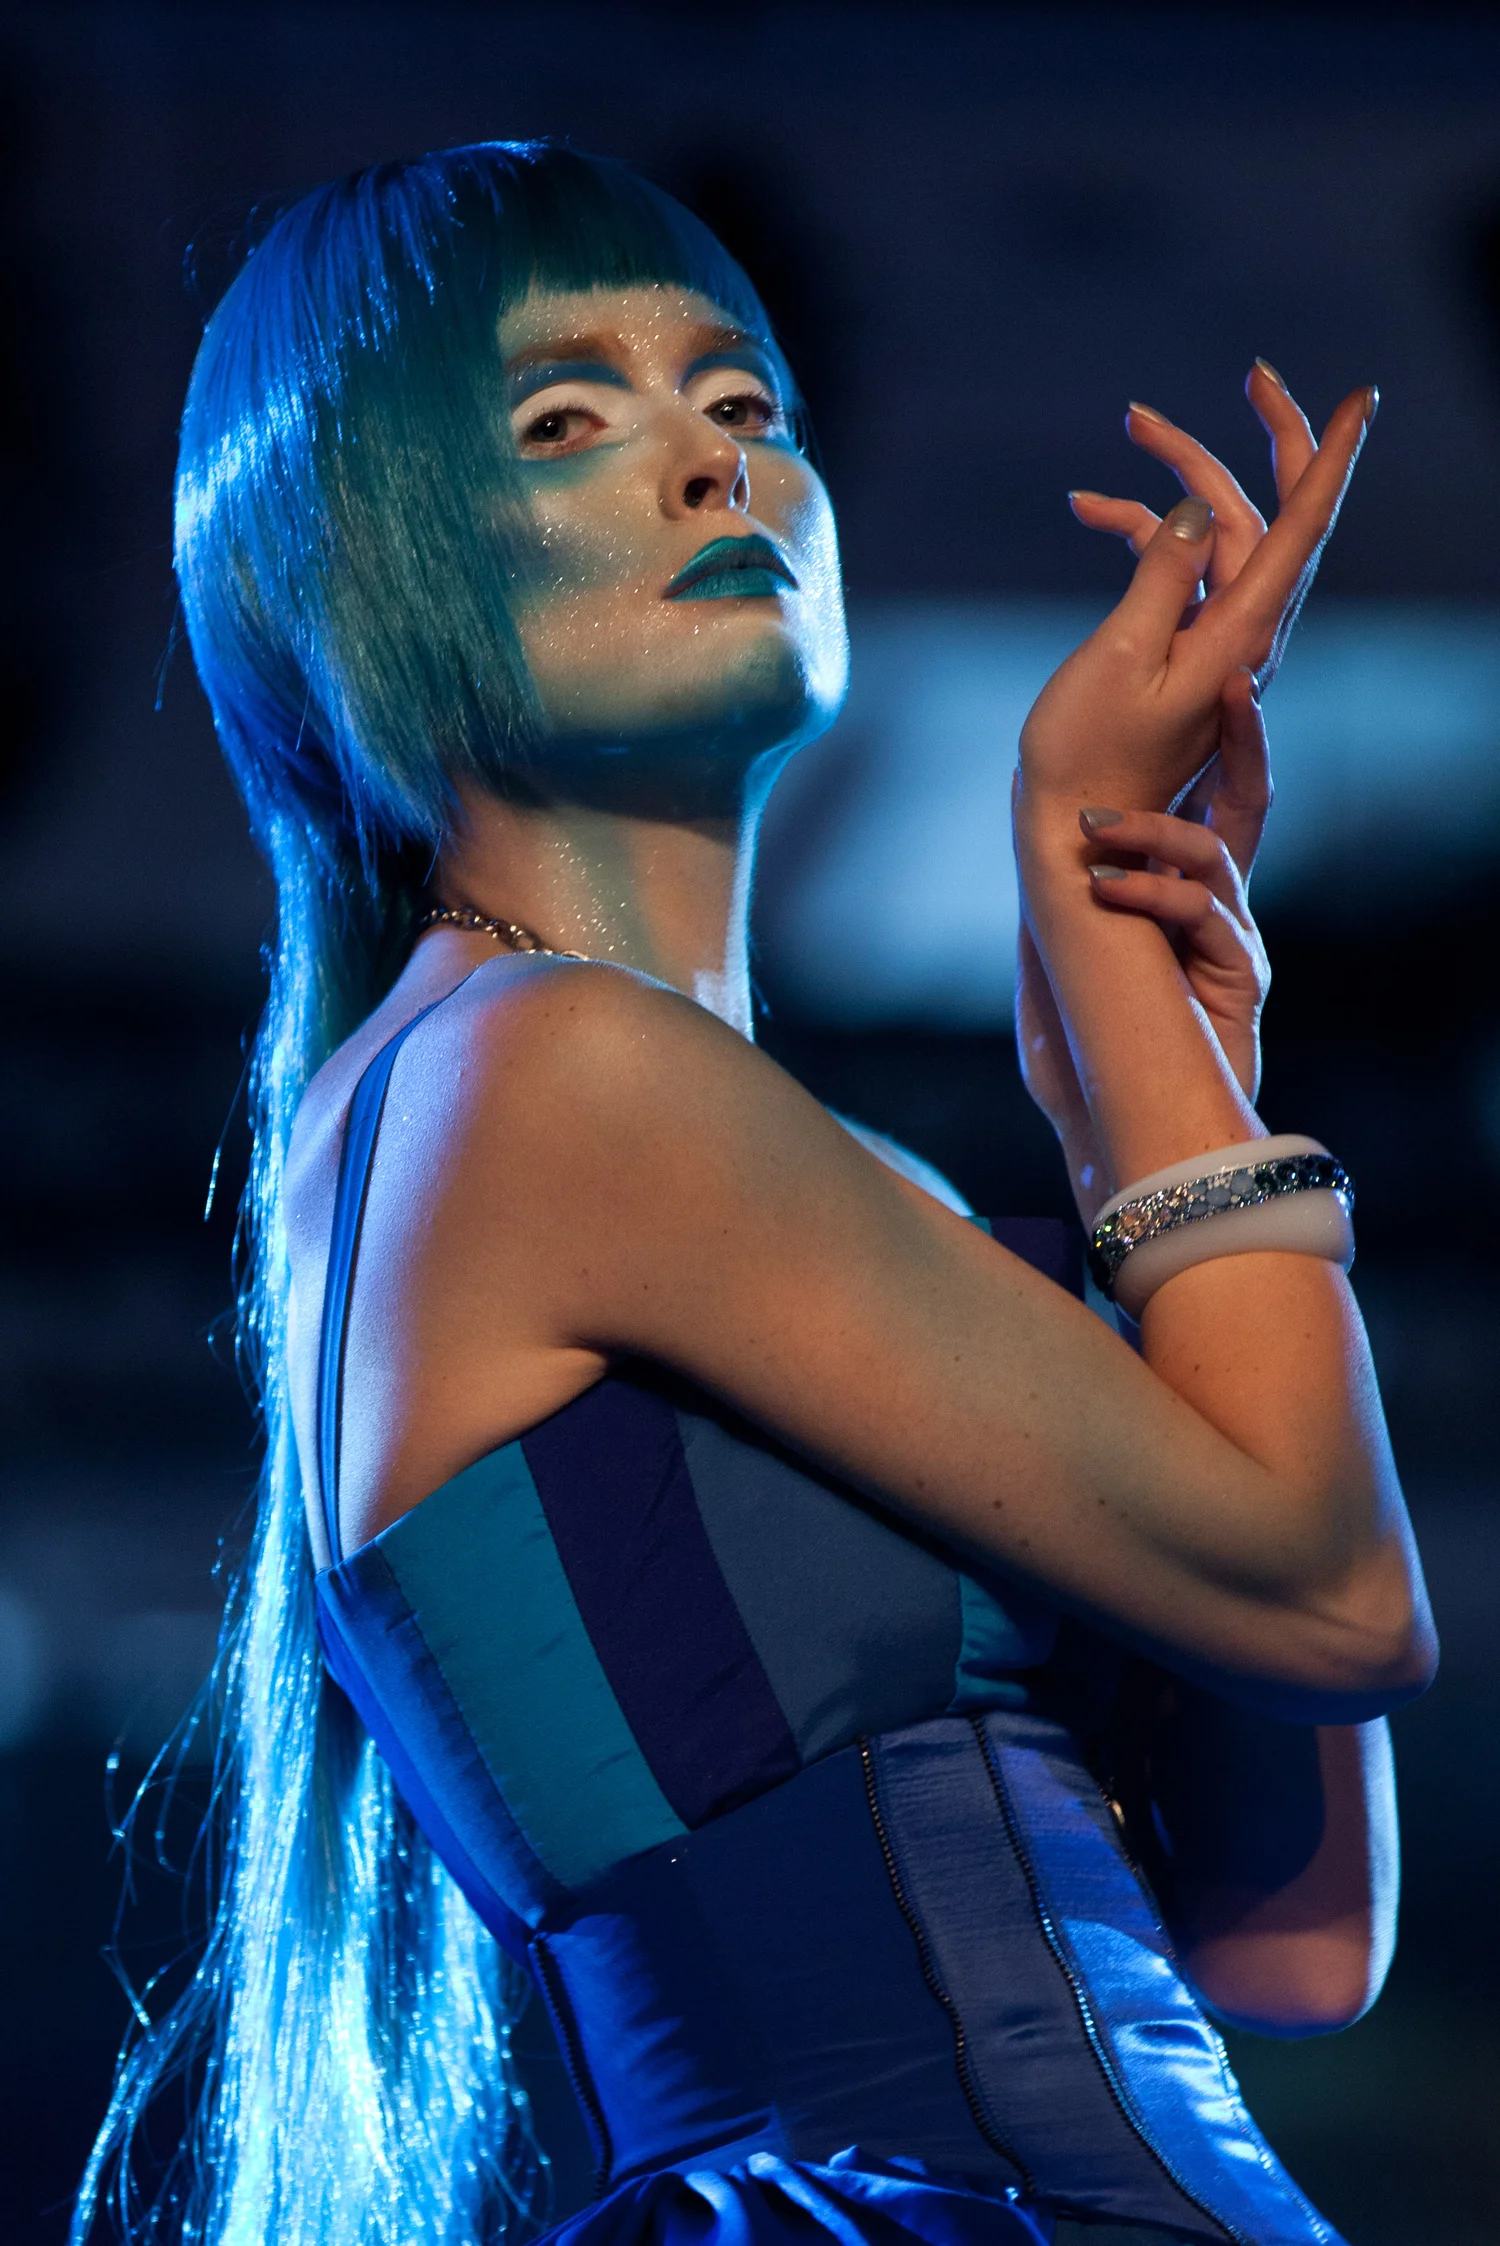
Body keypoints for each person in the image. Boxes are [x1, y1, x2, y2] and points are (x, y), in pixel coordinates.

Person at [76, 141, 1434, 2246]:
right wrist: (1088, 885)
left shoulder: (828, 1184)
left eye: (744, 402)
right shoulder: (538, 1077)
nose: (715, 463)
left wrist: (1156, 1070)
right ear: (359, 563)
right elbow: (1338, 1593)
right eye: (566, 420)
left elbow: (1292, 1935)